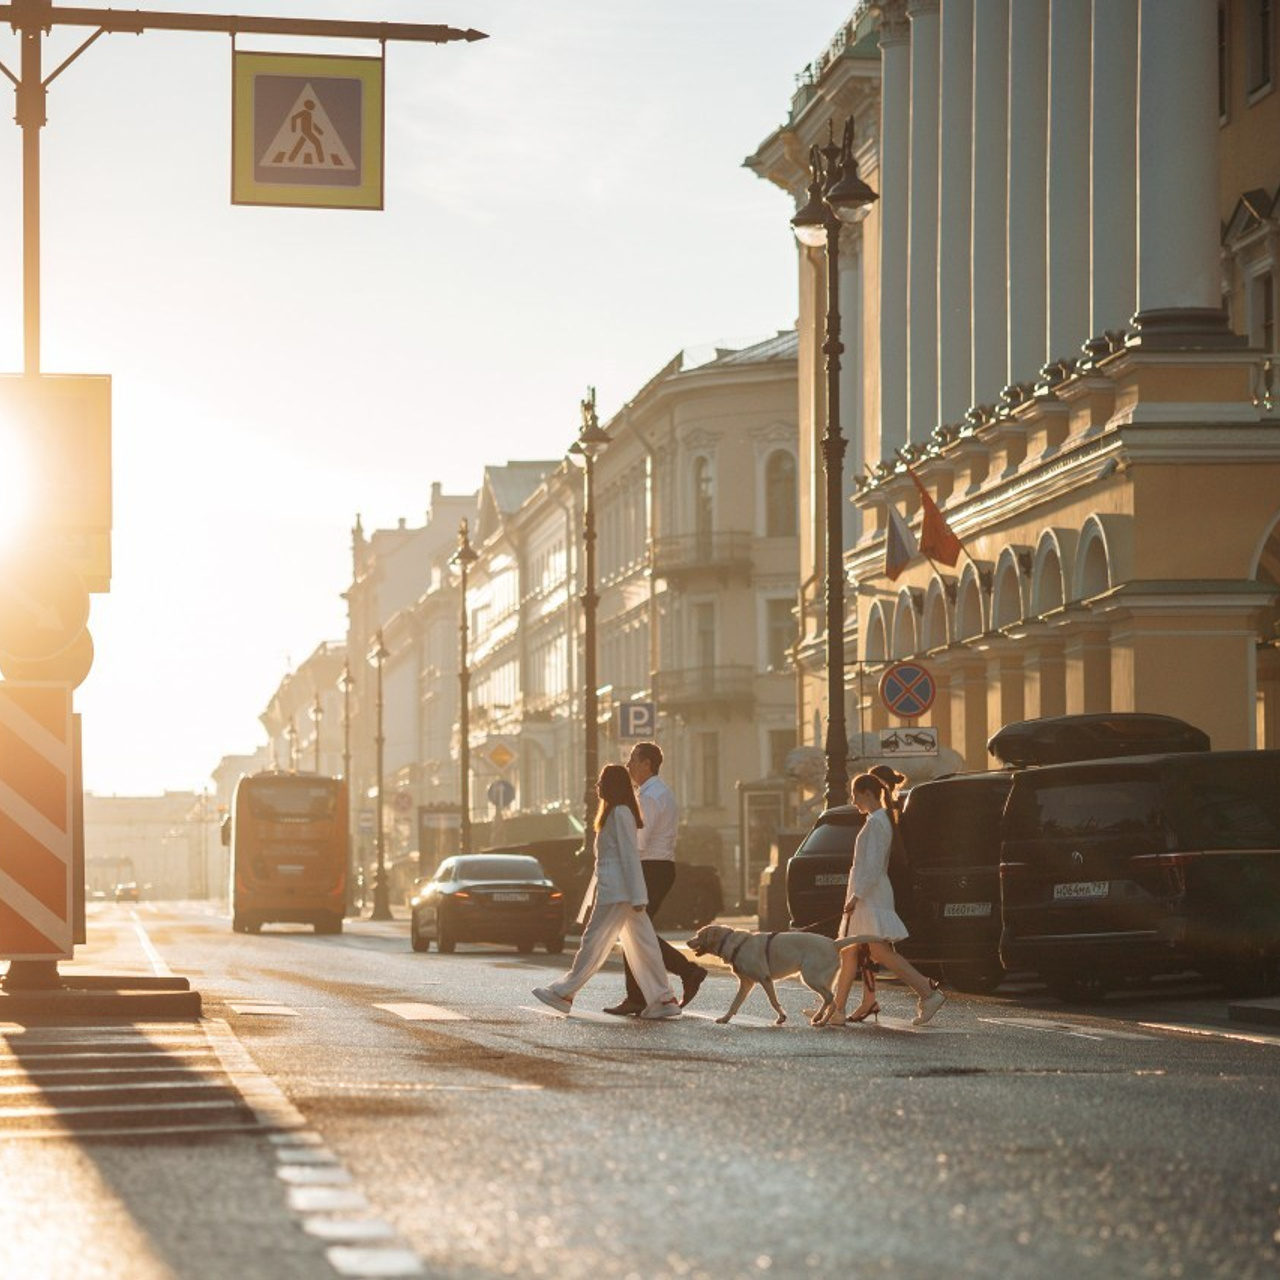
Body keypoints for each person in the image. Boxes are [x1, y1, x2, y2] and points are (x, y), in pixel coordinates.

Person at [532, 764, 682, 1020]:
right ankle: (663, 998)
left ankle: (564, 992)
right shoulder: (616, 812)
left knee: (593, 942)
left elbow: (629, 856)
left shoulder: (620, 812)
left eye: (601, 782)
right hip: (620, 891)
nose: (597, 786)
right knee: (643, 945)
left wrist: (638, 897)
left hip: (618, 893)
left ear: (612, 785)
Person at [816, 772, 945, 1028]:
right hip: (869, 894)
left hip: (870, 896)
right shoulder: (879, 820)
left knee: (876, 951)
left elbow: (873, 866)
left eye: (855, 795)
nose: (854, 801)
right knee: (851, 951)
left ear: (866, 793)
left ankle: (928, 992)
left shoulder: (876, 822)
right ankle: (837, 1010)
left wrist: (856, 896)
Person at [602, 741, 708, 1016]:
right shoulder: (658, 792)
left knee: (638, 931)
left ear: (646, 763)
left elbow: (638, 840)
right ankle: (641, 995)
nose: (628, 766)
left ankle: (685, 972)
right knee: (636, 931)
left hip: (649, 867)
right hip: (657, 867)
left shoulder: (648, 796)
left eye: (633, 760)